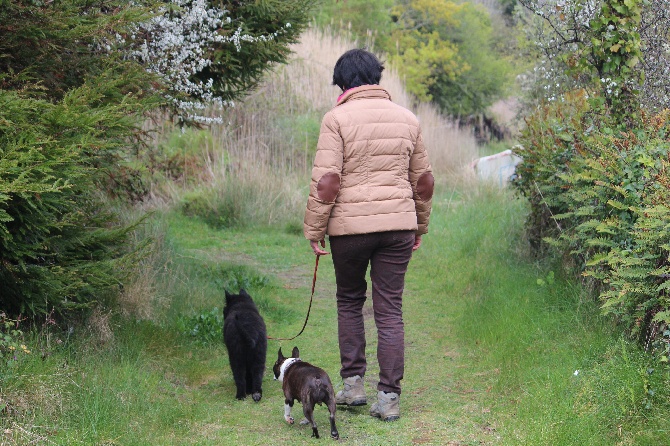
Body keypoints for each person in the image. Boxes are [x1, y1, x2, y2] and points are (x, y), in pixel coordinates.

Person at [303, 48, 434, 421]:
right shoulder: (408, 119)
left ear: (342, 83)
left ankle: (353, 387)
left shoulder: (336, 119)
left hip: (350, 230)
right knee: (390, 310)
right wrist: (419, 225)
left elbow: (327, 182)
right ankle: (389, 399)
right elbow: (423, 182)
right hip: (398, 228)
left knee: (349, 301)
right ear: (377, 78)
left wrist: (315, 229)